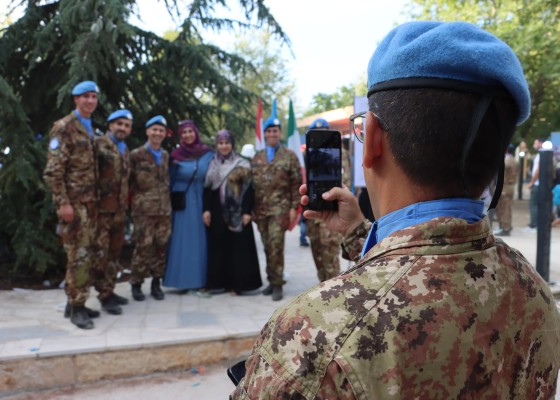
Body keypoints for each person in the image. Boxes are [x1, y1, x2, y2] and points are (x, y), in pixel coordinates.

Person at [231, 22, 560, 399]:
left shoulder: (315, 335)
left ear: (371, 139)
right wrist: (360, 232)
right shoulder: (533, 292)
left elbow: (406, 282)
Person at [43, 80, 100, 330]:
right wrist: (64, 203)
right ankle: (77, 309)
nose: (90, 101)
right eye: (85, 96)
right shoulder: (64, 128)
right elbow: (53, 171)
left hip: (90, 204)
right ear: (75, 99)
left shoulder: (88, 127)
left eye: (93, 96)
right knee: (79, 256)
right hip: (74, 205)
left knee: (84, 254)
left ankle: (74, 303)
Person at [202, 130, 262, 294]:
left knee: (238, 248)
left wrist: (247, 211)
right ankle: (221, 284)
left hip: (238, 212)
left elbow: (249, 189)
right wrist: (206, 210)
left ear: (232, 144)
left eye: (227, 143)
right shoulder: (212, 164)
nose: (224, 146)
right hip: (217, 210)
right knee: (220, 247)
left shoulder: (242, 163)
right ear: (217, 145)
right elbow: (208, 189)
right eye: (220, 143)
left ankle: (240, 285)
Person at [251, 117, 302, 301]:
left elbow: (296, 183)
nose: (272, 134)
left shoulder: (289, 156)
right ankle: (271, 281)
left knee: (276, 246)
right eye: (269, 131)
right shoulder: (257, 157)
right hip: (261, 211)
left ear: (279, 133)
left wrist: (293, 208)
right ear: (264, 134)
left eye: (275, 131)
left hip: (280, 209)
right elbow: (252, 187)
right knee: (266, 246)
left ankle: (278, 283)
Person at [163, 120, 214, 297]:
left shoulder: (208, 153)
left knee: (201, 242)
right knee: (184, 242)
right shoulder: (175, 156)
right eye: (183, 132)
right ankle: (183, 280)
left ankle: (202, 280)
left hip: (203, 201)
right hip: (183, 205)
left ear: (196, 132)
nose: (187, 135)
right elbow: (167, 181)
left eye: (190, 131)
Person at [91, 109, 132, 314]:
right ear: (110, 126)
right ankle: (102, 295)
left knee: (115, 254)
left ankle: (109, 290)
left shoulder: (124, 149)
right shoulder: (99, 144)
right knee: (101, 254)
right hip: (101, 211)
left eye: (126, 125)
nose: (122, 128)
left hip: (119, 211)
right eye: (119, 124)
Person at [129, 115, 172, 301]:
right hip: (143, 211)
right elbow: (128, 183)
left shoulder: (165, 155)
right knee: (142, 247)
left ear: (164, 134)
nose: (157, 133)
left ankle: (156, 283)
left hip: (164, 211)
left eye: (161, 130)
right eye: (154, 129)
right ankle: (136, 283)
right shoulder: (136, 155)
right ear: (147, 131)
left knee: (161, 247)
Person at [304, 118, 347, 282]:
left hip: (331, 211)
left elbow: (345, 180)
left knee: (331, 262)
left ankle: (334, 292)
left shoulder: (339, 153)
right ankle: (323, 293)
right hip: (314, 215)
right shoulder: (309, 154)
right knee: (319, 260)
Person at [494, 144, 519, 236]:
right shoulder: (514, 161)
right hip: (510, 186)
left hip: (504, 186)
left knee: (504, 208)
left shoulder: (506, 161)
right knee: (507, 207)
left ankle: (505, 228)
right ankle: (504, 226)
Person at [526, 138, 544, 230]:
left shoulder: (542, 154)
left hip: (537, 183)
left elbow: (538, 170)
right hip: (538, 183)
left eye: (535, 143)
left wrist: (532, 182)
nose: (534, 145)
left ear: (541, 143)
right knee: (536, 204)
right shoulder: (539, 154)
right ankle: (535, 223)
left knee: (533, 204)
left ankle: (534, 224)